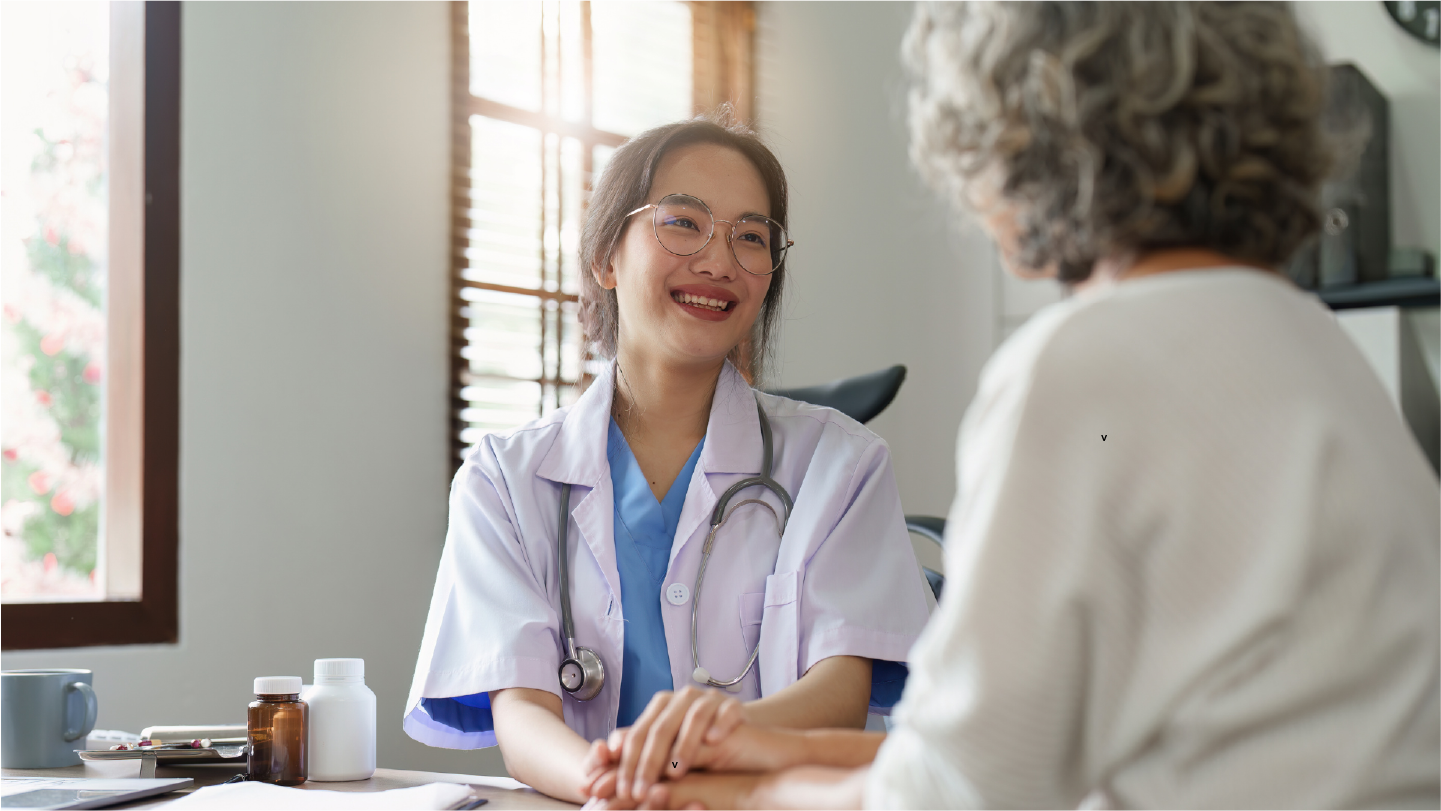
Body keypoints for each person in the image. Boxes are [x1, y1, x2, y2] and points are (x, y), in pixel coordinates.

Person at [581, 2, 1441, 808]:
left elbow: (964, 790)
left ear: (1025, 138)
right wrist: (767, 748)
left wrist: (736, 793)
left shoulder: (1086, 365)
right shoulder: (1311, 344)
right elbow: (1019, 748)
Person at [403, 113, 933, 804]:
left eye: (750, 236)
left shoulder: (841, 464)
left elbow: (837, 690)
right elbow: (523, 711)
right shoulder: (502, 479)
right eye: (682, 223)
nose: (718, 261)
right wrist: (616, 788)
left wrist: (692, 753)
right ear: (604, 256)